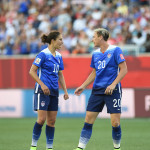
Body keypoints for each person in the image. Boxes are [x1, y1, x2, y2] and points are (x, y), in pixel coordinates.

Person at [74, 28, 128, 150]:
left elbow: (124, 69)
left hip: (112, 91)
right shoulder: (95, 53)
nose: (92, 39)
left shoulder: (115, 50)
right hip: (97, 90)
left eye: (94, 37)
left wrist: (113, 84)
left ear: (100, 37)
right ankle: (80, 147)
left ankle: (117, 147)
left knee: (115, 123)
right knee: (88, 119)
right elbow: (94, 72)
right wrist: (83, 86)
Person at [29, 30, 69, 150]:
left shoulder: (59, 56)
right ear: (53, 41)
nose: (62, 42)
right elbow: (32, 71)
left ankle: (49, 148)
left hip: (54, 91)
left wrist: (65, 91)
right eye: (60, 39)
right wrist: (42, 85)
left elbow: (60, 74)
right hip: (42, 91)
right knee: (41, 120)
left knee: (51, 121)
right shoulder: (43, 54)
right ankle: (33, 146)